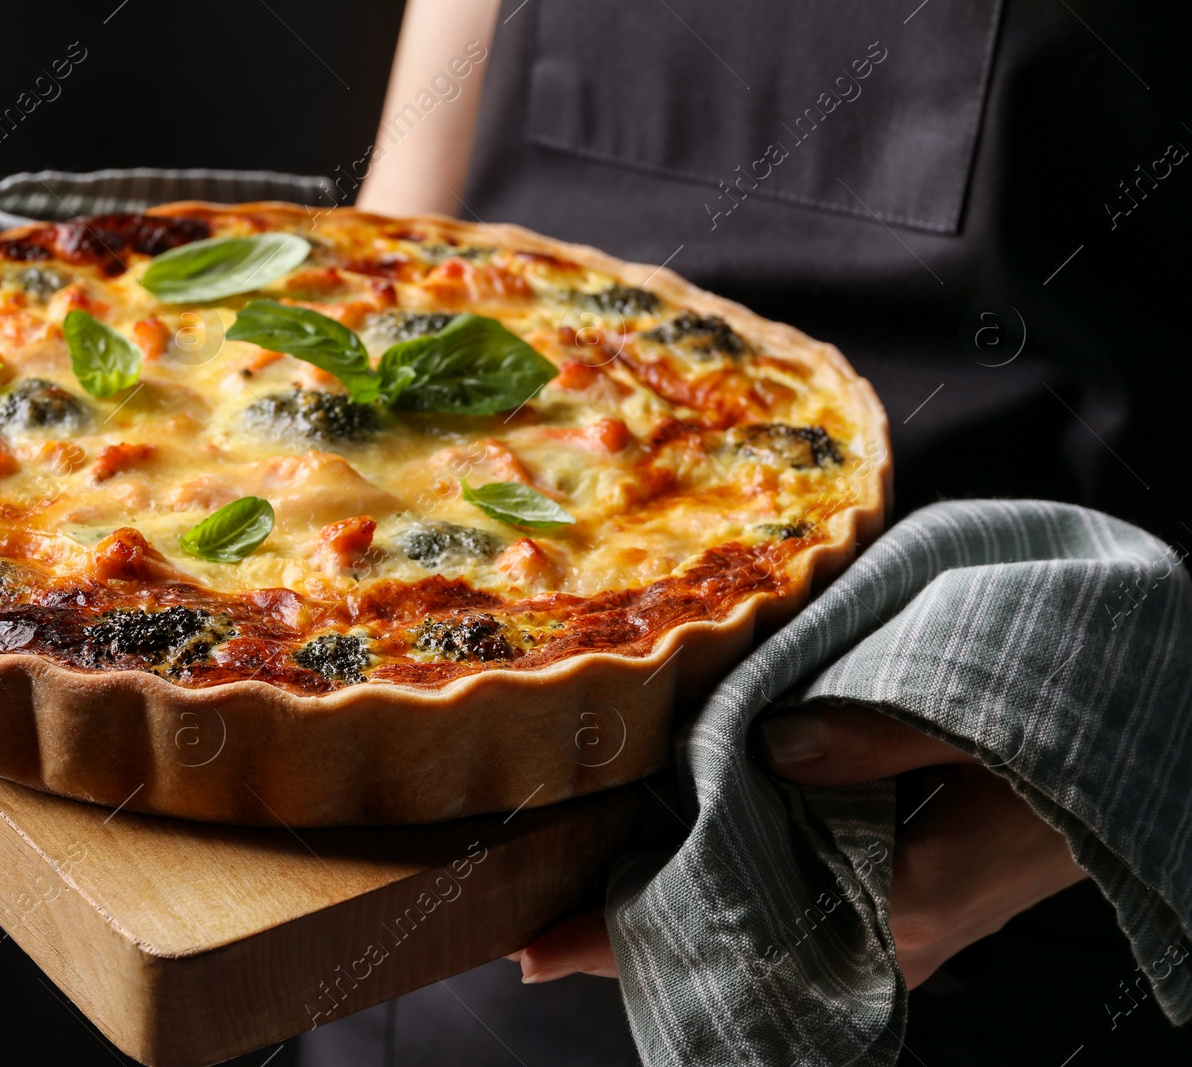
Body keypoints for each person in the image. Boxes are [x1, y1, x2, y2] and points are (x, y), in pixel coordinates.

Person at [353, 0, 1189, 1035]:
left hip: (956, 864)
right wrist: (362, 311)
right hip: (440, 803)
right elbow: (402, 226)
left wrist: (1057, 818)